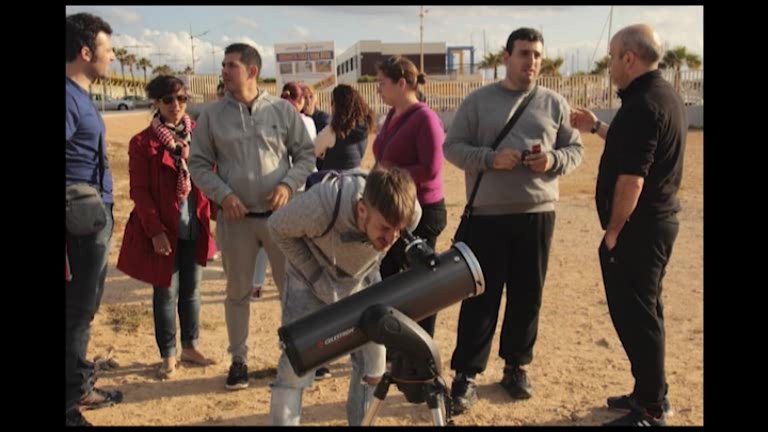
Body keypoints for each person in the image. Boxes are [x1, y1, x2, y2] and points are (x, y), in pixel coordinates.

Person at [443, 27, 583, 414]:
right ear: (506, 58)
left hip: (537, 214)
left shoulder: (554, 103)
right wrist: (490, 159)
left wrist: (552, 161)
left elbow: (575, 148)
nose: (531, 61)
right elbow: (452, 147)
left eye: (537, 54)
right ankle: (465, 375)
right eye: (524, 53)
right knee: (480, 298)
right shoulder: (478, 102)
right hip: (487, 216)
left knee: (527, 294)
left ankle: (516, 367)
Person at [570, 24, 685, 427]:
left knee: (637, 316)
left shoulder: (642, 105)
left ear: (629, 59)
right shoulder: (660, 95)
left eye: (612, 57)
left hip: (639, 231)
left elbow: (633, 178)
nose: (610, 66)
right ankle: (648, 392)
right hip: (657, 225)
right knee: (647, 312)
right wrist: (597, 127)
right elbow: (634, 143)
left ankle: (651, 409)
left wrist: (614, 231)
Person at [188, 42, 315, 391]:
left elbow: (305, 156)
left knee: (291, 292)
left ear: (252, 71)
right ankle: (239, 360)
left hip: (280, 221)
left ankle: (296, 356)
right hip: (236, 221)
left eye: (231, 65)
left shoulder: (282, 111)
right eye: (224, 65)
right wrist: (223, 194)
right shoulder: (212, 116)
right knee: (237, 291)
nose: (224, 71)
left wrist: (288, 185)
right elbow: (197, 163)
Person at [267, 166, 421, 426]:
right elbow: (276, 227)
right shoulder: (320, 207)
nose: (391, 238)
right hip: (309, 279)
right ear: (362, 210)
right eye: (384, 228)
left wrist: (372, 261)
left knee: (374, 361)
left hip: (361, 280)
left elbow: (394, 232)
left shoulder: (411, 212)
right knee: (296, 366)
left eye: (398, 230)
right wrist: (316, 277)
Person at [116, 75, 218, 381]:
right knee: (165, 293)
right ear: (156, 103)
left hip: (194, 224)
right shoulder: (141, 142)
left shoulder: (199, 135)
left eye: (182, 99)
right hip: (164, 229)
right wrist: (155, 231)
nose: (176, 106)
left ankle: (190, 345)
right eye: (169, 100)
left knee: (193, 291)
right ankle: (168, 354)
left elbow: (211, 175)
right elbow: (139, 192)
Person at [65, 12, 122, 427]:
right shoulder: (67, 97)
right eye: (107, 49)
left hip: (90, 220)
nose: (113, 56)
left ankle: (78, 385)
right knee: (76, 311)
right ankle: (70, 405)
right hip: (77, 223)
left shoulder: (80, 95)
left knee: (83, 310)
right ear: (86, 52)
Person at [372, 55, 446, 339]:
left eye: (382, 83)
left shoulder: (426, 118)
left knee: (419, 283)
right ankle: (396, 342)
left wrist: (392, 171)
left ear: (402, 83)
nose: (378, 88)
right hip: (396, 209)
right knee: (390, 277)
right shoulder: (392, 114)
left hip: (423, 210)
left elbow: (431, 169)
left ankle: (419, 343)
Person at [314, 84, 375, 171]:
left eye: (332, 102)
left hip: (334, 180)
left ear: (338, 106)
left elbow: (313, 149)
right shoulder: (364, 127)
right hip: (356, 177)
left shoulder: (334, 130)